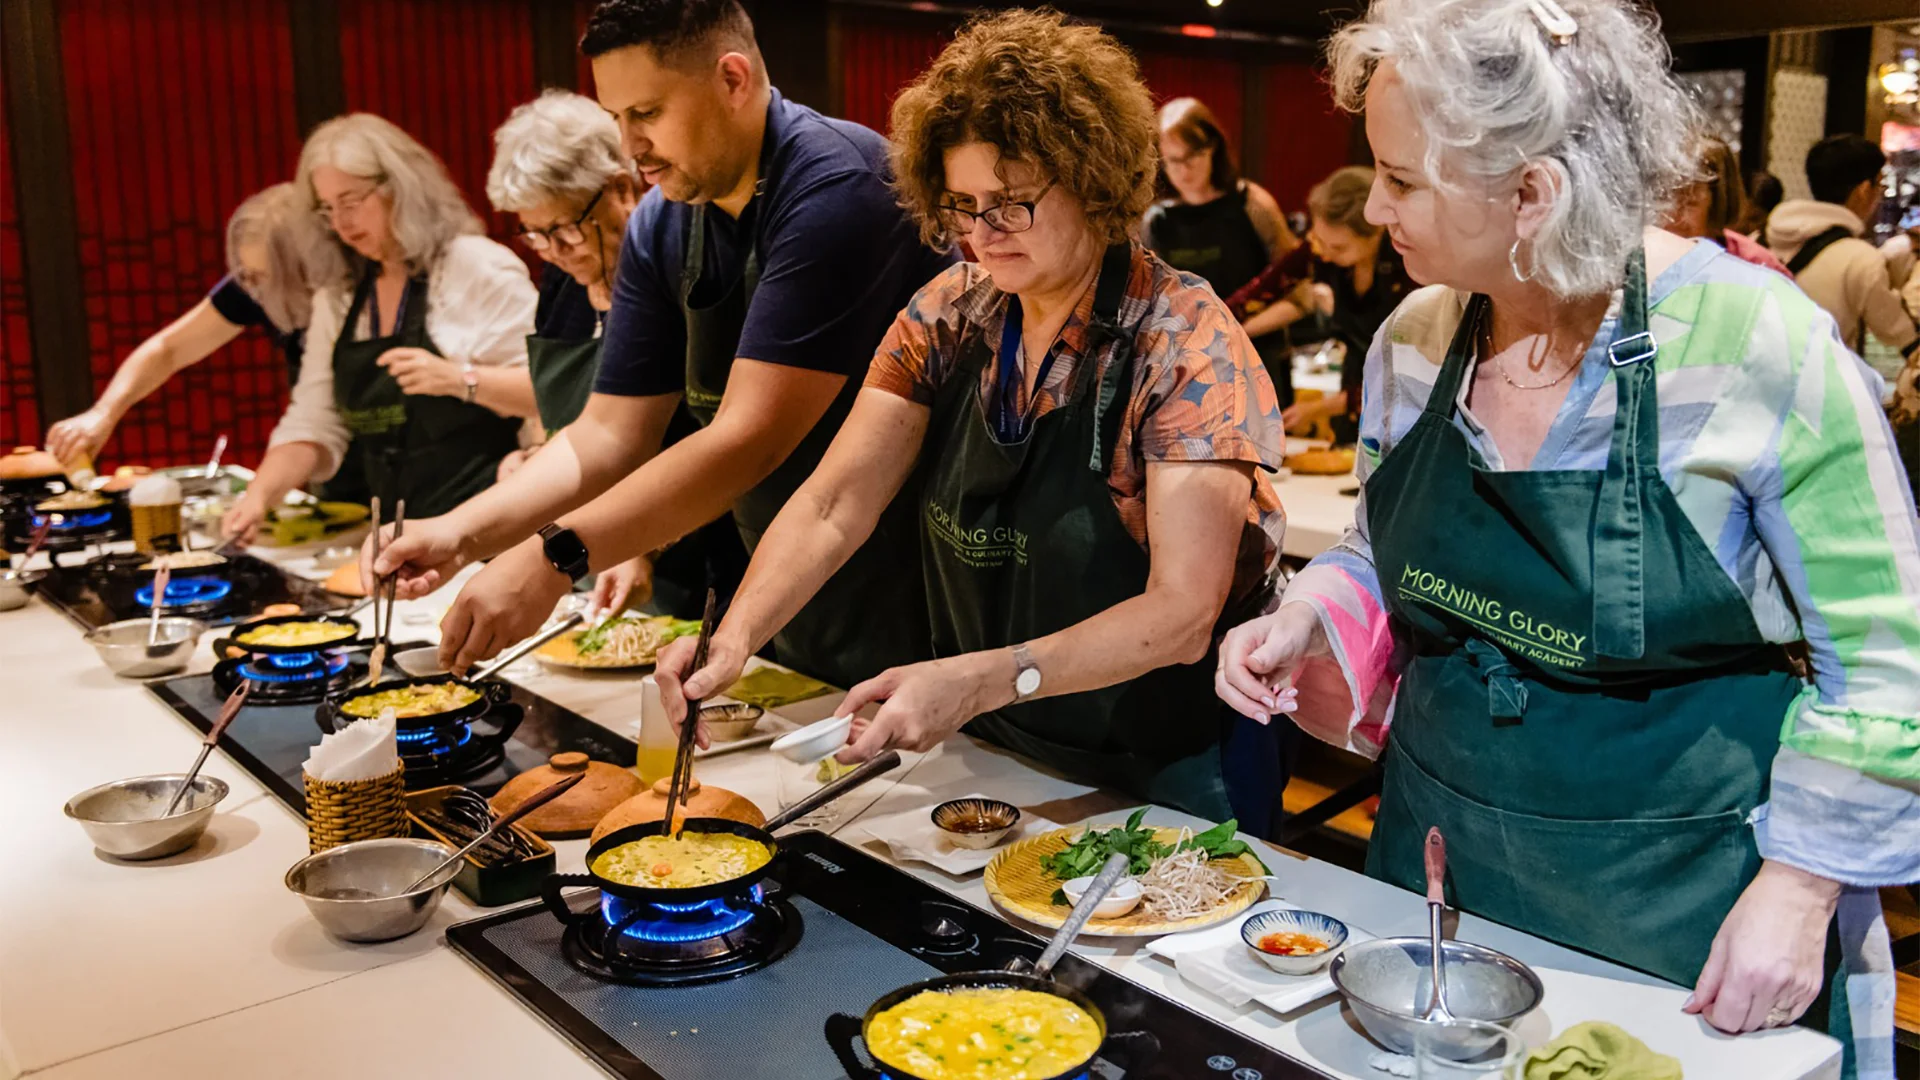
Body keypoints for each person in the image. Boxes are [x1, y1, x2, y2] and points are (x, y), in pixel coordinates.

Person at [1215, 2, 1916, 1073]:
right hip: (1439, 870)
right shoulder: (1416, 339)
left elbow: (1887, 661)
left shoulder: (1754, 345)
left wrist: (1803, 885)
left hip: (1686, 904)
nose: (1376, 205)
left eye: (1404, 180)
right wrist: (1310, 613)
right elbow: (1378, 544)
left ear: (1532, 193)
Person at [658, 10, 1292, 834]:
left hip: (1165, 762)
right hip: (997, 746)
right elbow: (833, 503)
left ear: (1094, 182)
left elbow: (1180, 616)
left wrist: (982, 678)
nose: (982, 236)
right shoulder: (950, 315)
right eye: (963, 206)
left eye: (1012, 204)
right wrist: (735, 637)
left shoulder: (1184, 345)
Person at [366, 0, 953, 687]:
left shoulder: (837, 187)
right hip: (780, 572)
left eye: (645, 113)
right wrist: (460, 534)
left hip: (907, 569)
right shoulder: (662, 221)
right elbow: (607, 435)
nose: (629, 146)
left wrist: (555, 556)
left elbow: (747, 438)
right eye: (617, 118)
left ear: (733, 80)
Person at [484, 88, 746, 618]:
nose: (554, 253)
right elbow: (573, 417)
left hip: (705, 557)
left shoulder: (680, 275)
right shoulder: (563, 284)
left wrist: (637, 541)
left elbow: (722, 440)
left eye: (563, 228)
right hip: (586, 554)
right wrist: (533, 454)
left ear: (622, 188)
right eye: (535, 235)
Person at [221, 114, 539, 540]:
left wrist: (459, 380)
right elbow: (313, 421)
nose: (341, 223)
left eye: (352, 202)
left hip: (492, 528)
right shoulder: (341, 295)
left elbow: (549, 393)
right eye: (328, 208)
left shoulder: (475, 266)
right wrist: (259, 495)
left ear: (400, 189)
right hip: (396, 535)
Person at [44, 184, 337, 469]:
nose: (254, 291)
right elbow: (168, 349)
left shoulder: (351, 292)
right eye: (248, 276)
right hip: (326, 459)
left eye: (263, 277)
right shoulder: (254, 287)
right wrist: (103, 414)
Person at [1142, 98, 1301, 403]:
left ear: (1213, 147)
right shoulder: (1156, 221)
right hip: (1190, 374)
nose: (1183, 170)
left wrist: (1230, 333)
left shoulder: (1253, 205)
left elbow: (1300, 295)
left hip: (1257, 364)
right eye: (1172, 160)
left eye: (1192, 156)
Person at [1269, 166, 1411, 441]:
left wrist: (1319, 408)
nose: (1325, 254)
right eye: (1320, 241)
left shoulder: (1406, 268)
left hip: (1403, 410)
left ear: (1375, 232)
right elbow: (1263, 291)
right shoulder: (1324, 248)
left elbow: (1408, 374)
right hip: (1353, 402)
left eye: (1339, 248)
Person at [1766, 134, 1919, 360]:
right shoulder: (1860, 258)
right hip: (1818, 379)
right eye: (1880, 185)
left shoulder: (1763, 239)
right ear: (1864, 190)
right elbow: (1899, 333)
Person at [1663, 132, 1790, 276]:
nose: (1671, 216)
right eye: (1662, 200)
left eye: (1689, 203)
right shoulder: (1644, 260)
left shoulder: (1759, 267)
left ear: (1719, 205)